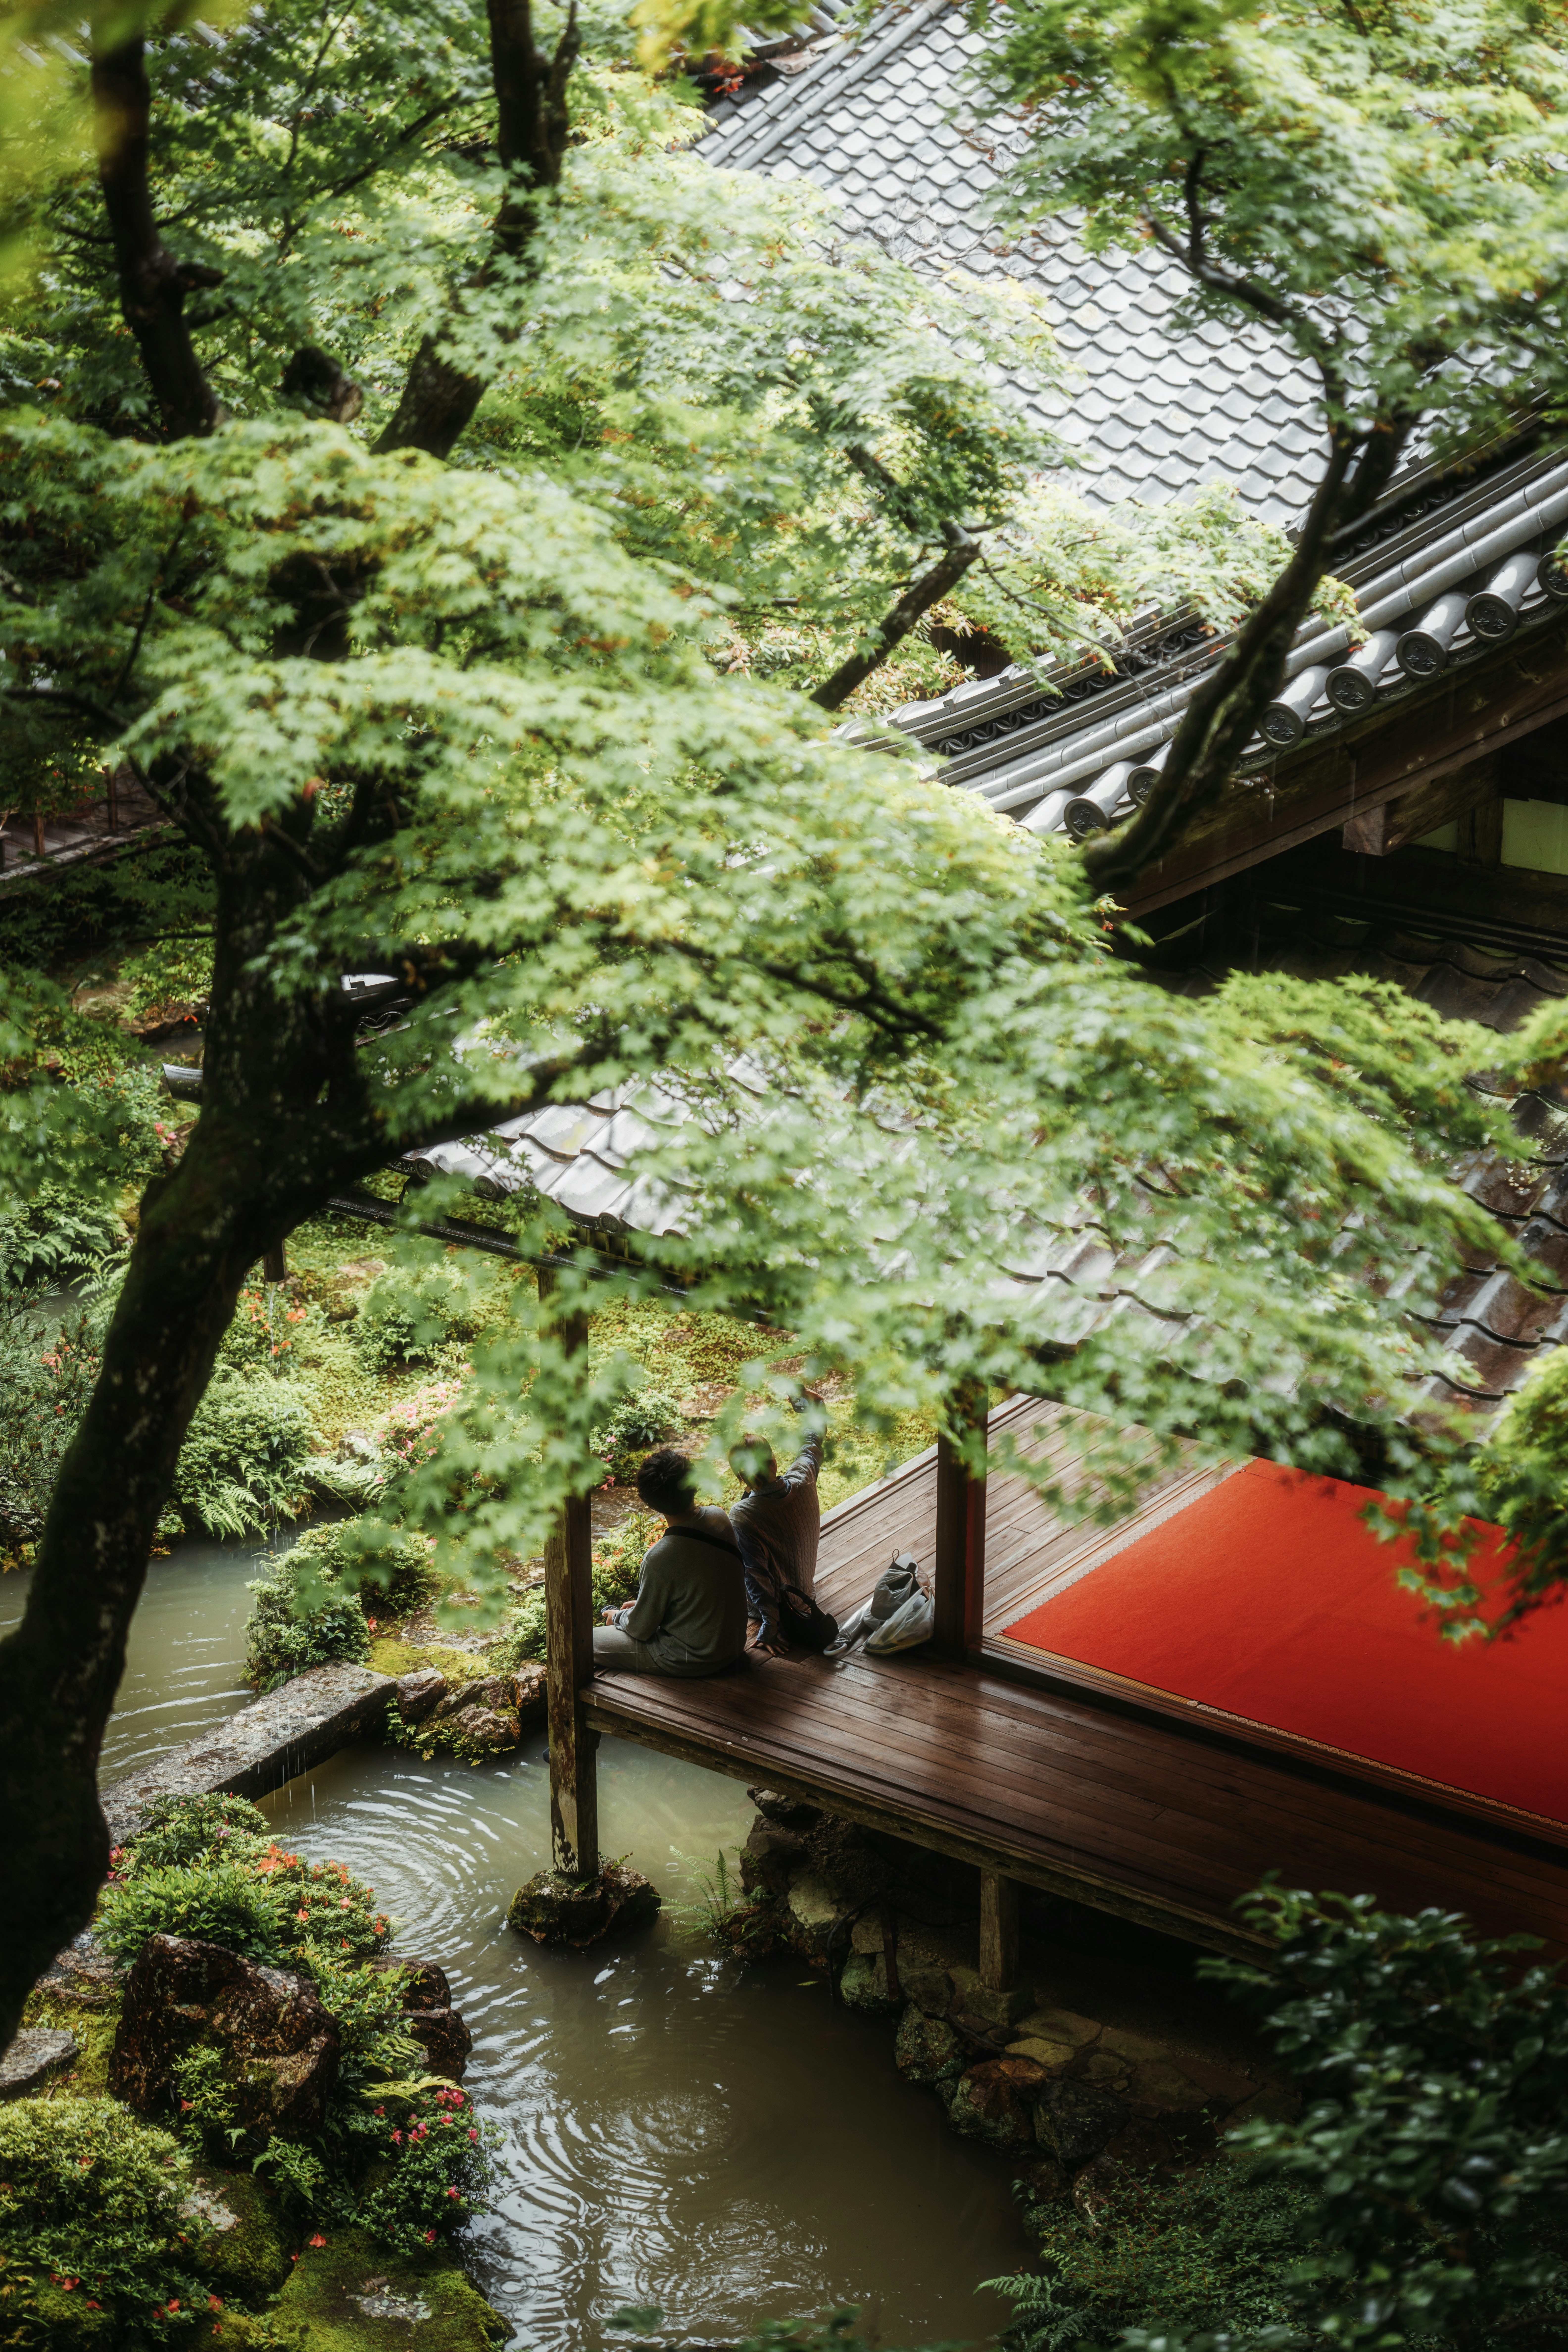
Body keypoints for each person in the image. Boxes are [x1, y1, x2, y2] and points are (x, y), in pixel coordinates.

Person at [592, 1447, 748, 1678]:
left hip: (693, 1658)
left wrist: (617, 1616)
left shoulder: (660, 1557)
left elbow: (640, 1630)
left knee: (584, 1641)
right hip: (732, 1646)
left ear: (650, 1502)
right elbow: (701, 1587)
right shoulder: (719, 1517)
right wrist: (644, 1606)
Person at [728, 1414, 824, 1655]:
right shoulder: (804, 1477)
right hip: (805, 1591)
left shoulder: (743, 1515)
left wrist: (771, 1627)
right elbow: (813, 1441)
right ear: (774, 1462)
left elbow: (756, 1578)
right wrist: (815, 1406)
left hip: (780, 1608)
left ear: (742, 1477)